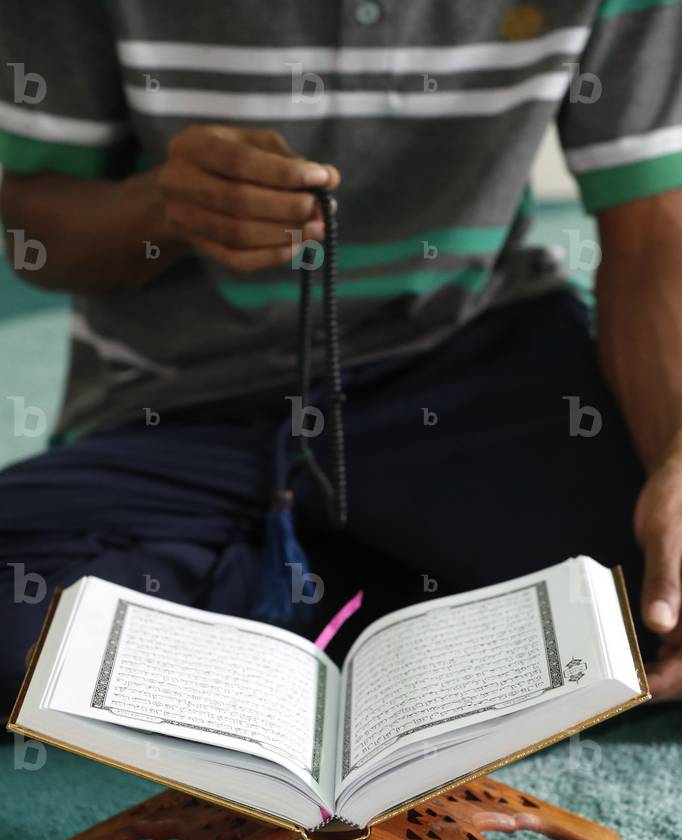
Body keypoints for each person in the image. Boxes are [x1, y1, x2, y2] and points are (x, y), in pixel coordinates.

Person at [1, 1, 681, 712]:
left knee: (651, 592)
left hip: (468, 362)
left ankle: (278, 606)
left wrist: (675, 454)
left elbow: (652, 234)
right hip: (177, 400)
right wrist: (161, 210)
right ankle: (382, 603)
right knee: (20, 630)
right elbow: (35, 232)